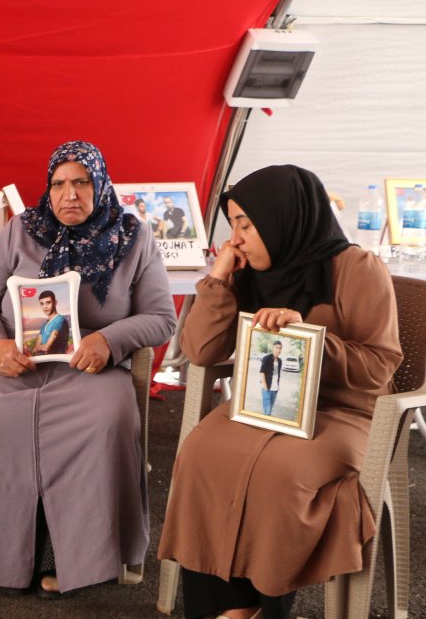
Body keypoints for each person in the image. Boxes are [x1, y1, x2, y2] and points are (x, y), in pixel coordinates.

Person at [157, 165, 402, 619]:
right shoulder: (248, 271)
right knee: (201, 453)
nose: (238, 238)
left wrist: (309, 338)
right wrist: (220, 279)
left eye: (247, 225)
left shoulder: (356, 268)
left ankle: (263, 606)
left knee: (284, 472)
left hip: (343, 412)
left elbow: (380, 365)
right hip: (265, 404)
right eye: (233, 225)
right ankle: (225, 609)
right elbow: (200, 349)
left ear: (282, 217)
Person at [0, 140, 175, 598]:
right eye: (58, 184)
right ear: (47, 189)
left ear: (101, 184)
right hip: (15, 367)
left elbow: (161, 317)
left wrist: (108, 340)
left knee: (104, 422)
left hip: (89, 372)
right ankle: (4, 560)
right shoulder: (20, 230)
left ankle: (72, 559)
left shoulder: (133, 236)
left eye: (81, 182)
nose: (68, 195)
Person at [31, 290, 70, 356]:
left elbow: (46, 347)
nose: (45, 307)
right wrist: (38, 348)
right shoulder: (44, 324)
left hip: (58, 360)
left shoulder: (59, 320)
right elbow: (35, 347)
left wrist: (39, 348)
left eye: (48, 302)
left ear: (55, 303)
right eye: (42, 304)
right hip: (44, 360)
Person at [258, 340, 283, 416]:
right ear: (273, 348)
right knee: (267, 412)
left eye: (280, 348)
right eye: (276, 347)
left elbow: (277, 375)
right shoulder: (266, 358)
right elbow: (262, 372)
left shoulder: (280, 361)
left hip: (275, 390)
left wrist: (277, 387)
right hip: (267, 389)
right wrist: (265, 387)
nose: (278, 350)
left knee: (269, 410)